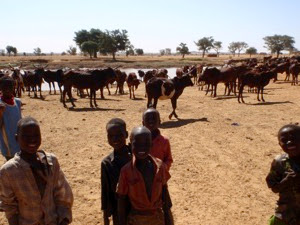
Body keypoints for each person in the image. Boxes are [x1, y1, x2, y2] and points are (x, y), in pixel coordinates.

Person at [0, 116, 73, 225]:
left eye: (36, 135)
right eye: (26, 136)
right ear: (16, 138)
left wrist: (64, 219)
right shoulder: (9, 171)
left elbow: (62, 193)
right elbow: (9, 206)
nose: (32, 140)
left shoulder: (51, 162)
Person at [117, 126, 173, 225]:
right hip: (136, 219)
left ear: (151, 145)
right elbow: (121, 200)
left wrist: (168, 218)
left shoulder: (160, 166)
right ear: (130, 146)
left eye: (146, 144)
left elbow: (164, 191)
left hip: (158, 219)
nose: (142, 148)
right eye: (137, 144)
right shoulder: (126, 171)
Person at [266, 124, 300, 225]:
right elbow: (274, 188)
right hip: (286, 213)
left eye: (293, 138)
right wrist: (286, 181)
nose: (289, 142)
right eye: (284, 140)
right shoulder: (279, 162)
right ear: (280, 144)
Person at [101, 118, 132, 225]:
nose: (115, 139)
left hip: (137, 208)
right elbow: (105, 191)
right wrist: (106, 216)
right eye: (111, 136)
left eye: (119, 135)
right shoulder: (107, 163)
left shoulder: (135, 157)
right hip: (118, 211)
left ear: (126, 135)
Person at [0, 75, 22, 160]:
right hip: (7, 143)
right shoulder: (0, 104)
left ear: (14, 87)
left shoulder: (17, 102)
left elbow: (20, 120)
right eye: (4, 87)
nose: (7, 89)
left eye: (10, 86)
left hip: (20, 141)